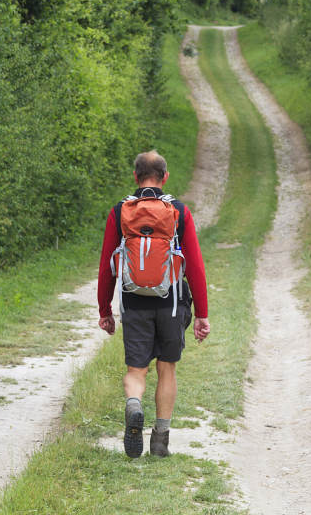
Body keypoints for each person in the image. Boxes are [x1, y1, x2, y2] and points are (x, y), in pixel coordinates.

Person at [98, 151, 210, 458]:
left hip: (134, 300)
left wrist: (104, 310)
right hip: (171, 300)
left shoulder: (120, 210)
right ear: (165, 177)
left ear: (135, 176)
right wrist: (202, 314)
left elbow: (106, 265)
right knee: (167, 368)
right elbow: (196, 266)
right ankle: (160, 440)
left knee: (137, 370)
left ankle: (134, 404)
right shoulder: (178, 211)